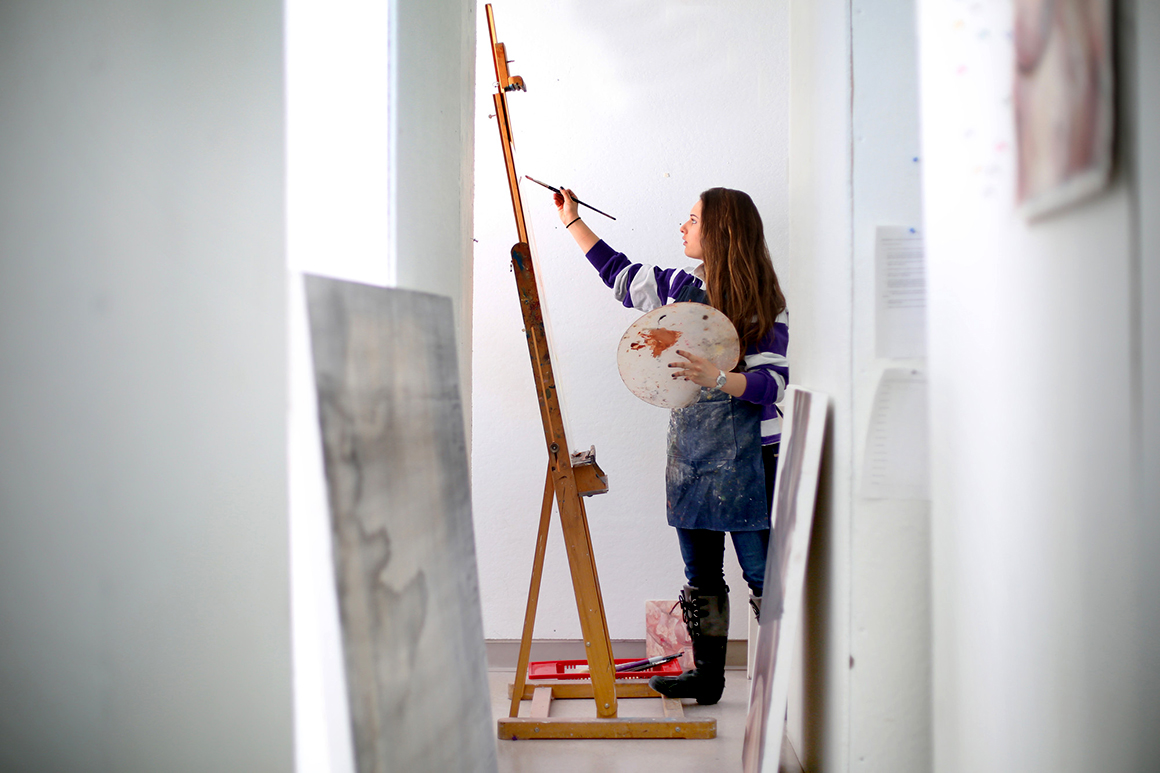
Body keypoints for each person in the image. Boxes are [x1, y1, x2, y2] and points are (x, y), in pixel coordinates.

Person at [553, 186, 789, 705]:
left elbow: (772, 385)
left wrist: (718, 377)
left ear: (721, 231)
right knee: (701, 575)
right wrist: (572, 220)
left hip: (752, 458)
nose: (683, 227)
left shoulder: (765, 305)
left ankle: (783, 695)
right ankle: (708, 678)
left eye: (693, 219)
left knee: (763, 577)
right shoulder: (681, 290)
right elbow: (620, 275)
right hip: (693, 455)